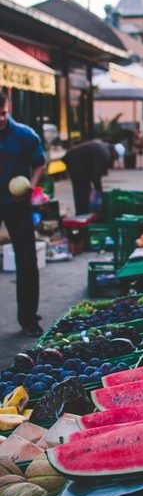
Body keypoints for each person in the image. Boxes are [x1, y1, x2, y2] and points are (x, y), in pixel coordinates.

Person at [0, 90, 46, 337]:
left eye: (3, 114)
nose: (0, 119)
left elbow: (40, 162)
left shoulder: (24, 134)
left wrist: (31, 185)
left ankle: (28, 318)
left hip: (18, 204)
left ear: (8, 109)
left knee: (27, 260)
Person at [63, 139, 121, 215]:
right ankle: (82, 213)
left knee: (84, 187)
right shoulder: (105, 153)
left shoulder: (105, 148)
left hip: (76, 159)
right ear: (115, 153)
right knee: (82, 187)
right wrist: (99, 190)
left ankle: (83, 212)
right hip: (75, 160)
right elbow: (96, 174)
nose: (114, 160)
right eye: (115, 158)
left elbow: (95, 171)